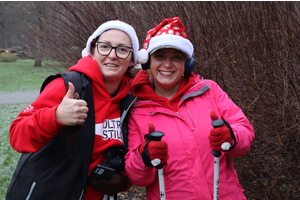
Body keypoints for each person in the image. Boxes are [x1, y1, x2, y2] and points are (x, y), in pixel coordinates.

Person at [6, 20, 139, 200]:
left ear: (132, 59)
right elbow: (17, 136)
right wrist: (55, 116)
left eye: (123, 49)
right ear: (92, 51)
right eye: (105, 46)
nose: (113, 55)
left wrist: (124, 181)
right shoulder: (68, 86)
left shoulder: (131, 101)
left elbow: (128, 153)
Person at [125, 17, 255, 199]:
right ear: (147, 63)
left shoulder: (209, 90)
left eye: (176, 58)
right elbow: (137, 177)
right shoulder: (136, 109)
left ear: (187, 64)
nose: (167, 64)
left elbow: (245, 132)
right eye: (160, 56)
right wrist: (144, 157)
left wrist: (231, 136)